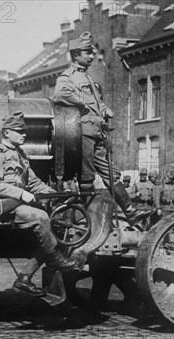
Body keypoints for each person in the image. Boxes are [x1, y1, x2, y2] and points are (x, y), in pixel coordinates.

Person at [53, 31, 151, 226]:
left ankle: (130, 211)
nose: (92, 56)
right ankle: (86, 220)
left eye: (92, 52)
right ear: (75, 55)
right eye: (87, 52)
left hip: (97, 132)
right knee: (86, 175)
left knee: (111, 174)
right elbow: (60, 94)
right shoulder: (68, 76)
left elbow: (96, 102)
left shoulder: (87, 78)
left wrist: (104, 109)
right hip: (82, 133)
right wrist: (81, 103)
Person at [0, 111, 77, 297]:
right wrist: (22, 194)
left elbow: (34, 182)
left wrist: (56, 195)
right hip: (1, 208)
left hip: (18, 206)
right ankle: (53, 260)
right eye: (19, 130)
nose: (24, 134)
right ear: (7, 132)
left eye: (24, 130)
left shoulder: (20, 155)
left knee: (51, 227)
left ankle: (24, 278)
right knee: (40, 217)